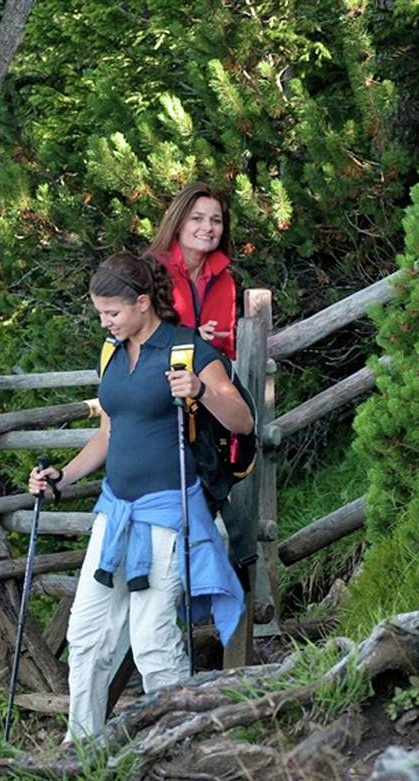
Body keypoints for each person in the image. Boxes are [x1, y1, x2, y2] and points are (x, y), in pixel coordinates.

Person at [28, 252, 252, 743]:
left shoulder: (186, 351)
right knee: (85, 636)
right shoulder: (112, 353)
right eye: (100, 313)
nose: (105, 322)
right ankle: (80, 747)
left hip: (168, 514)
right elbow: (109, 436)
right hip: (115, 512)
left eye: (112, 312)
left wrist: (199, 390)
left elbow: (242, 420)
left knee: (153, 639)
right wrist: (62, 477)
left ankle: (175, 742)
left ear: (144, 302)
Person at [147, 182, 238, 360]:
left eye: (216, 221)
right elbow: (139, 338)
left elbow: (227, 349)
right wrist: (192, 337)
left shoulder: (224, 280)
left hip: (209, 381)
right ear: (178, 223)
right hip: (158, 380)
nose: (208, 228)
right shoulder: (151, 270)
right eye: (197, 218)